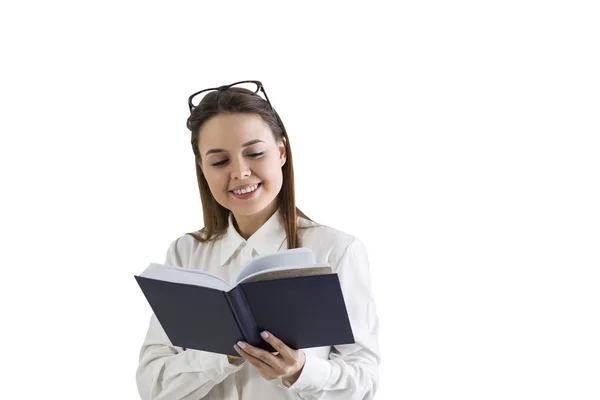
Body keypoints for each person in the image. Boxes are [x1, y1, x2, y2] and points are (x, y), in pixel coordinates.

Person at [135, 81, 381, 399]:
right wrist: (223, 356)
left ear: (281, 152)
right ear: (202, 168)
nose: (240, 172)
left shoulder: (336, 251)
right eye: (220, 161)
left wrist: (301, 371)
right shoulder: (186, 253)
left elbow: (365, 384)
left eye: (254, 153)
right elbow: (152, 386)